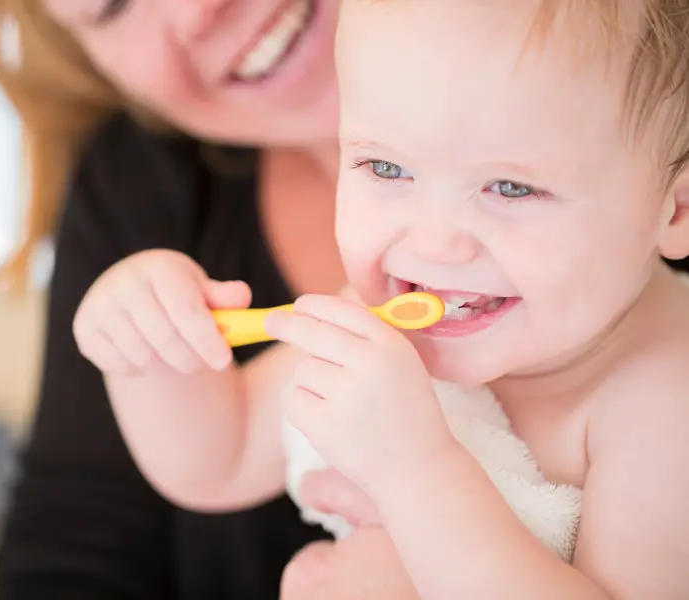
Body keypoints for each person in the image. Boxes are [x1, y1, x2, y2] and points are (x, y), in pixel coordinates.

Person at [72, 0, 689, 598]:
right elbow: (222, 459)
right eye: (386, 169)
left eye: (511, 187)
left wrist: (415, 474)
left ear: (676, 208)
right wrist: (148, 349)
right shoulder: (394, 319)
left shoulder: (665, 401)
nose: (432, 244)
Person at [0, 0, 393, 598]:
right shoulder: (134, 186)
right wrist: (145, 356)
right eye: (112, 5)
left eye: (510, 188)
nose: (200, 9)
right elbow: (77, 548)